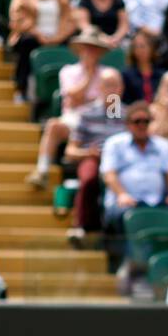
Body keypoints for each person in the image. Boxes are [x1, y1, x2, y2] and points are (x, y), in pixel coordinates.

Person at [27, 25, 110, 189]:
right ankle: (42, 171)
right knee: (53, 126)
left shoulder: (110, 74)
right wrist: (89, 75)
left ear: (100, 52)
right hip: (74, 121)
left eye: (94, 49)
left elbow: (114, 102)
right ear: (80, 50)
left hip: (102, 123)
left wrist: (111, 119)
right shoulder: (68, 71)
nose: (90, 52)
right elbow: (73, 98)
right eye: (87, 48)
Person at [99, 99, 168, 241]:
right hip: (125, 202)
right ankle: (129, 259)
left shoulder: (162, 145)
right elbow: (109, 175)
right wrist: (122, 195)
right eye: (137, 121)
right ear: (128, 124)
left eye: (146, 121)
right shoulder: (114, 143)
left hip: (156, 201)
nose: (142, 125)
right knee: (125, 216)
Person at [65, 66, 131, 238]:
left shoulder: (129, 115)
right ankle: (83, 226)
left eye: (115, 85)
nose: (112, 90)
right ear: (100, 88)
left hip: (122, 162)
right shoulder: (87, 113)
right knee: (88, 178)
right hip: (94, 157)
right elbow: (70, 150)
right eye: (107, 85)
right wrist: (88, 153)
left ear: (122, 88)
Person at [7, 0, 74, 105]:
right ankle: (21, 88)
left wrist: (57, 37)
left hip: (57, 37)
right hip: (32, 36)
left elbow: (69, 19)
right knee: (27, 43)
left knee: (75, 44)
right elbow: (17, 19)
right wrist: (39, 34)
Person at [121, 26, 165, 105]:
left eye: (143, 46)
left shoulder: (162, 74)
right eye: (136, 47)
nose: (140, 50)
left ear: (151, 48)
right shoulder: (126, 75)